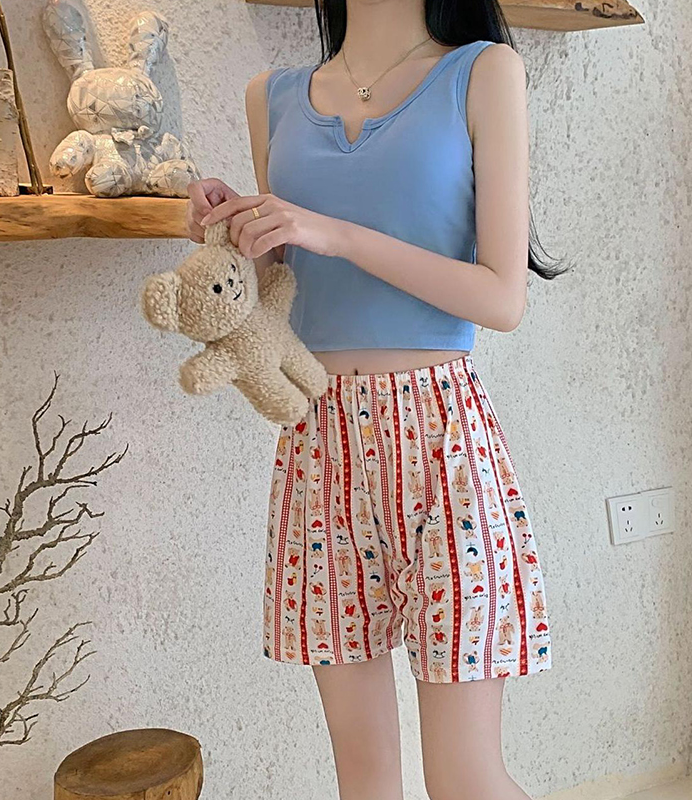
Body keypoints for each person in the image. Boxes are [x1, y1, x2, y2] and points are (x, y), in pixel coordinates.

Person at [186, 2, 568, 797]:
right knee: (362, 779)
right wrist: (230, 237)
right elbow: (281, 295)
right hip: (319, 443)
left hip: (440, 442)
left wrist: (335, 232)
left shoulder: (481, 73)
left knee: (464, 779)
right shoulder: (271, 97)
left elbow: (502, 299)